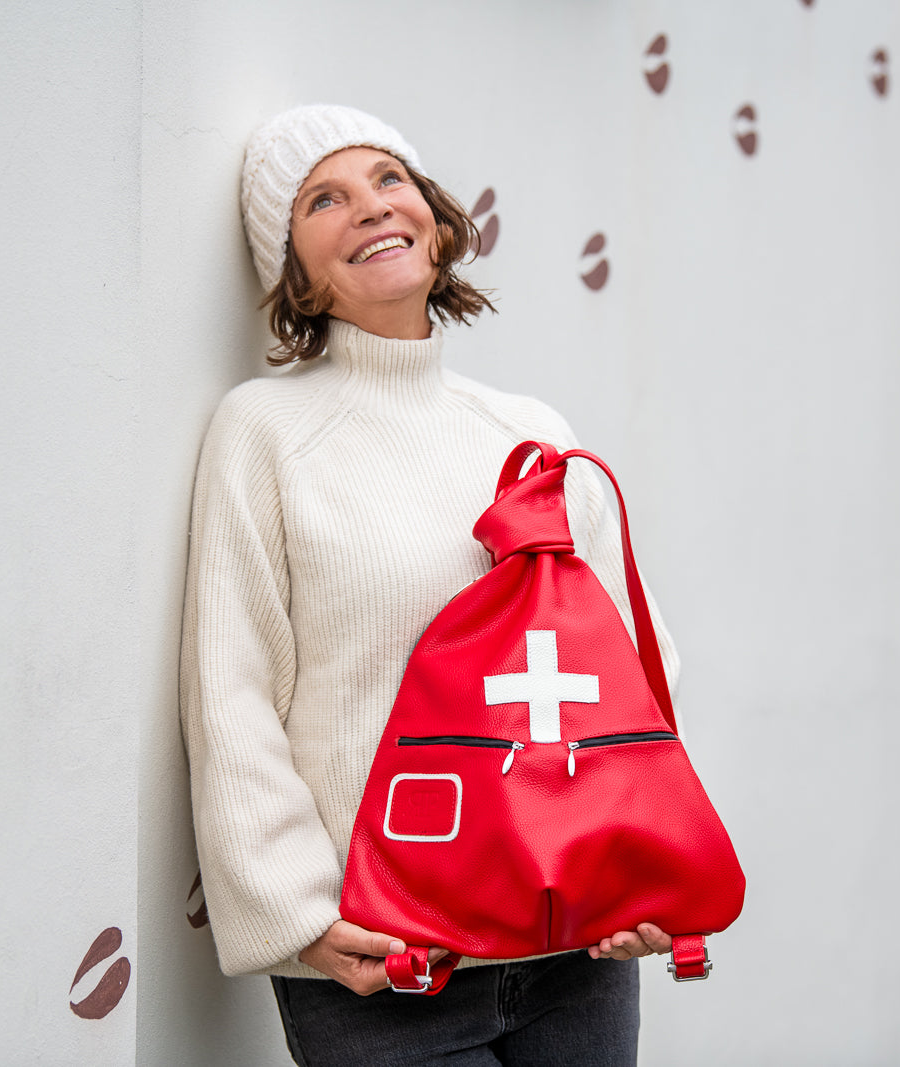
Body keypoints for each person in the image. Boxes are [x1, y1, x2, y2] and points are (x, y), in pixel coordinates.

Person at [180, 104, 681, 1066]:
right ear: (293, 268)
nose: (370, 206)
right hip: (383, 963)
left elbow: (620, 667)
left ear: (437, 220)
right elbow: (230, 690)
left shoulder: (532, 429)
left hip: (571, 952)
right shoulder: (266, 434)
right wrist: (296, 916)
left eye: (389, 179)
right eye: (325, 198)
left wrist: (639, 868)